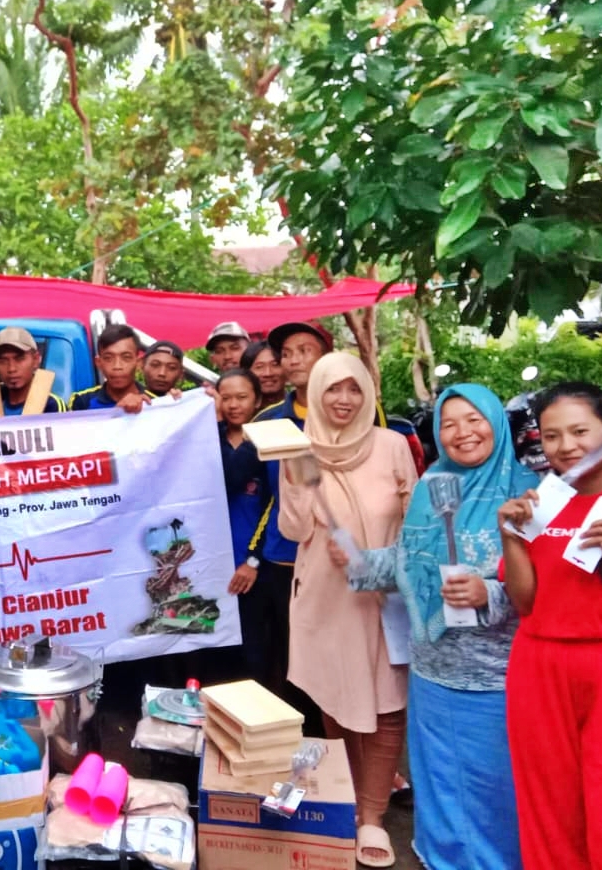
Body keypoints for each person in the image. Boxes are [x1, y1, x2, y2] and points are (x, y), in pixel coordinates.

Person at [347, 385, 535, 870]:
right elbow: (412, 559)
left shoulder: (528, 492)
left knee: (494, 785)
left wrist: (487, 594)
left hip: (497, 677)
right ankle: (441, 857)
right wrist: (360, 563)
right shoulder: (434, 485)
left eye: (474, 419)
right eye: (449, 423)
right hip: (431, 671)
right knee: (439, 779)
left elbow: (544, 586)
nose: (462, 433)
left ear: (496, 421)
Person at [500, 382, 602, 870]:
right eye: (551, 436)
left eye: (579, 431)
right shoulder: (540, 501)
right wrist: (509, 535)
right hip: (539, 666)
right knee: (548, 810)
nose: (565, 447)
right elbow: (525, 603)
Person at [278, 353, 415, 869]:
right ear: (315, 394)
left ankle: (374, 817)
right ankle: (352, 800)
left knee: (385, 704)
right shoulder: (301, 448)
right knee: (336, 698)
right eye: (332, 389)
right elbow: (294, 531)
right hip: (324, 597)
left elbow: (415, 518)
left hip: (383, 597)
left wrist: (381, 562)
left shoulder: (392, 446)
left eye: (353, 389)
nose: (343, 400)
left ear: (367, 394)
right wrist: (292, 476)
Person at [244, 320, 334, 711]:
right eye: (287, 353)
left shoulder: (349, 412)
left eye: (305, 350)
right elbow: (260, 497)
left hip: (335, 558)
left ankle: (332, 745)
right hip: (283, 557)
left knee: (329, 655)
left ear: (325, 358)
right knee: (284, 654)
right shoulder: (267, 423)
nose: (294, 359)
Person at [214, 369, 273, 680]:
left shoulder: (267, 442)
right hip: (211, 570)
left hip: (251, 570)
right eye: (226, 398)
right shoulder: (205, 438)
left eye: (242, 397)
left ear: (257, 400)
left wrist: (253, 560)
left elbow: (275, 506)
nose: (233, 405)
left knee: (255, 655)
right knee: (215, 661)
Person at [0, 328, 65, 416]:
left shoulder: (51, 406)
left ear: (36, 359)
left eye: (19, 359)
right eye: (3, 361)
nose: (11, 369)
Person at [69, 324, 153, 413]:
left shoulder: (155, 402)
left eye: (126, 358)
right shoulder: (82, 402)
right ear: (98, 363)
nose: (117, 366)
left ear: (138, 363)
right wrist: (117, 412)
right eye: (108, 358)